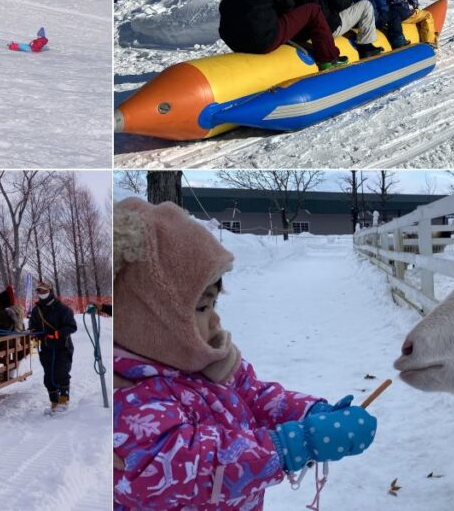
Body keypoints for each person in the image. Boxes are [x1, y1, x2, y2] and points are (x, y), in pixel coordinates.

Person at [112, 198, 378, 509]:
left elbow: (256, 396)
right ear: (147, 318)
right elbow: (196, 468)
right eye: (200, 307)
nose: (215, 319)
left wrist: (310, 413)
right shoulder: (129, 399)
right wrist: (296, 444)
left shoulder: (209, 362)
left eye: (214, 304)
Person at [28, 280, 76, 410]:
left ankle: (64, 399)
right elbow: (32, 325)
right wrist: (34, 332)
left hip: (62, 347)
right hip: (46, 347)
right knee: (48, 376)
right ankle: (54, 402)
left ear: (50, 291)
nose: (41, 293)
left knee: (61, 373)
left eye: (44, 291)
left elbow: (72, 326)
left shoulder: (63, 309)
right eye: (39, 291)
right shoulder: (36, 310)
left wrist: (58, 333)